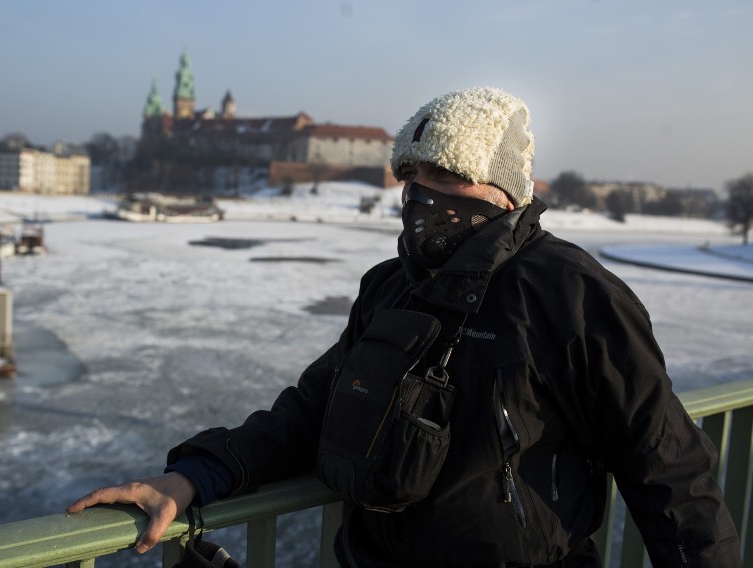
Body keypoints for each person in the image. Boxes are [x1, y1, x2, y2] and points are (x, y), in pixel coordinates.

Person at [68, 87, 741, 566]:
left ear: (505, 191)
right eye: (411, 174)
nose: (422, 195)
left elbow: (668, 468)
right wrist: (196, 475)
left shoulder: (571, 293)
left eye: (447, 174)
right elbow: (313, 411)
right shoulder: (391, 286)